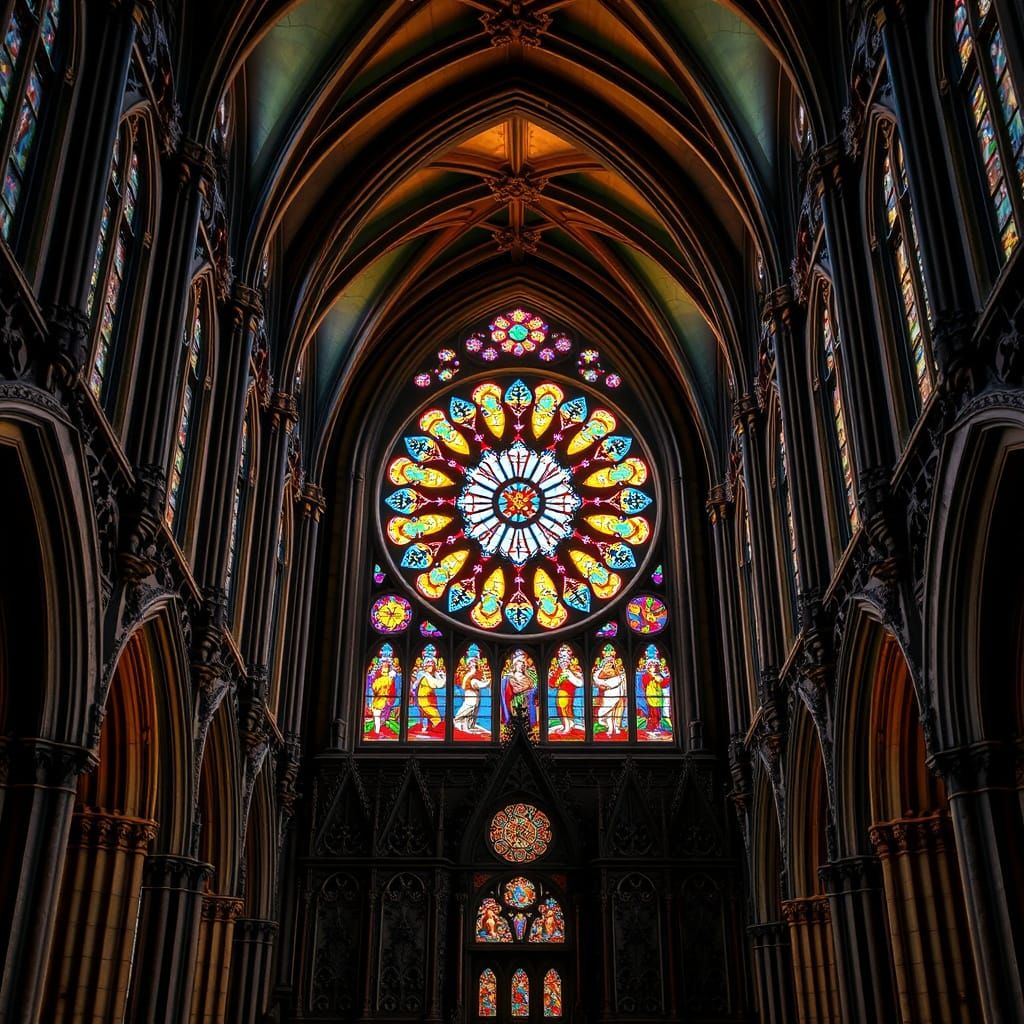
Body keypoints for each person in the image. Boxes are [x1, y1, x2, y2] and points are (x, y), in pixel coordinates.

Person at [453, 645, 490, 734]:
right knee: (469, 708)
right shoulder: (467, 673)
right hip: (470, 695)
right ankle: (462, 725)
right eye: (472, 661)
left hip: (476, 695)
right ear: (468, 663)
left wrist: (486, 681)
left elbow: (481, 682)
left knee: (474, 710)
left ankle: (470, 726)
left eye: (475, 661)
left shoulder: (479, 672)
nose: (474, 663)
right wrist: (486, 682)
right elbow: (465, 683)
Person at [549, 645, 583, 735]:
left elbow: (579, 683)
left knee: (564, 710)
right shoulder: (558, 671)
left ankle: (567, 728)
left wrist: (570, 676)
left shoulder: (570, 671)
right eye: (561, 657)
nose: (563, 660)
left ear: (569, 659)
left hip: (566, 694)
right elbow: (552, 683)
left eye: (565, 657)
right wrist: (556, 679)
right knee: (563, 710)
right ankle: (567, 725)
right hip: (561, 693)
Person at [593, 645, 626, 737]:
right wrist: (604, 684)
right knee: (608, 712)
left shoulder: (619, 672)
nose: (609, 664)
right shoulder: (600, 672)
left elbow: (621, 679)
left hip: (618, 693)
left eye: (611, 662)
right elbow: (597, 679)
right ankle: (610, 728)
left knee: (616, 712)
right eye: (607, 663)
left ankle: (615, 727)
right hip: (608, 694)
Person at [367, 645, 399, 736]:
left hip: (385, 701)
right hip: (379, 701)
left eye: (387, 667)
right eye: (383, 668)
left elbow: (394, 690)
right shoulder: (380, 680)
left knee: (382, 717)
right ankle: (377, 732)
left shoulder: (388, 679)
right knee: (378, 717)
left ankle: (379, 731)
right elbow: (373, 689)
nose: (385, 668)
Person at [413, 645, 445, 734]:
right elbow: (438, 684)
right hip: (423, 700)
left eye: (432, 663)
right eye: (428, 663)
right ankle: (428, 728)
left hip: (431, 698)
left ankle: (426, 728)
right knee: (436, 717)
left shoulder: (433, 674)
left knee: (427, 715)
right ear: (424, 665)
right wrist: (444, 678)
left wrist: (441, 675)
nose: (430, 664)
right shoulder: (423, 674)